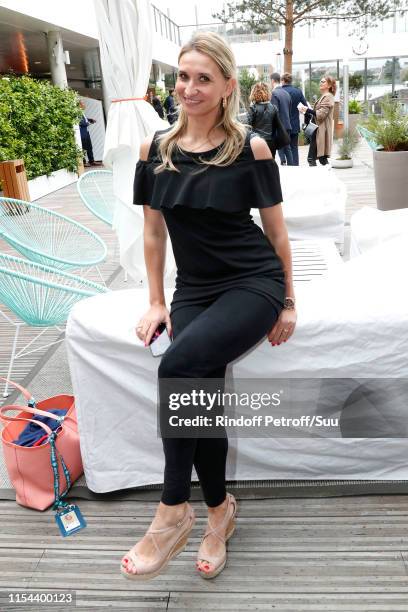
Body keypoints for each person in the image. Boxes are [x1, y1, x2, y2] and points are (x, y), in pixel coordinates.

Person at [122, 31, 297, 582]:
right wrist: (155, 300)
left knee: (178, 366)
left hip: (252, 283)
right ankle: (219, 514)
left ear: (226, 86)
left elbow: (276, 234)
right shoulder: (156, 150)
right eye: (182, 76)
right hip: (195, 289)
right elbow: (153, 235)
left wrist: (288, 300)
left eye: (203, 78)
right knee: (202, 394)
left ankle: (173, 510)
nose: (189, 88)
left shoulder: (251, 148)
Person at [299, 75, 336, 166]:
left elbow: (321, 114)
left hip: (322, 129)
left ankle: (326, 174)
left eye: (323, 81)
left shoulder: (328, 96)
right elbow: (317, 113)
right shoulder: (324, 96)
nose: (321, 83)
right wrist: (306, 111)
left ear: (329, 85)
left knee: (318, 158)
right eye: (320, 81)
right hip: (317, 129)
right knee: (318, 158)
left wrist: (307, 109)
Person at [246, 82, 285, 158]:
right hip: (270, 143)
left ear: (254, 93)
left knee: (256, 167)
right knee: (269, 167)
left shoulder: (252, 108)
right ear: (268, 93)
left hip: (256, 142)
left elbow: (248, 127)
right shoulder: (273, 108)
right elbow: (276, 126)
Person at [281, 72, 308, 166]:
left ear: (283, 81)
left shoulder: (279, 92)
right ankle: (295, 166)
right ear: (291, 81)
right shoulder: (298, 91)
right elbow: (305, 106)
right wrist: (299, 110)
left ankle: (285, 165)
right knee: (294, 147)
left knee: (283, 147)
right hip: (294, 124)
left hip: (282, 125)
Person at [270, 72, 293, 166]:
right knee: (287, 148)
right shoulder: (286, 93)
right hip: (287, 124)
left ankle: (283, 164)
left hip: (279, 126)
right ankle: (292, 167)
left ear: (272, 81)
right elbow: (289, 110)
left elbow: (274, 111)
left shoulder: (274, 93)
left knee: (278, 147)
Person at [79, 101, 98, 166]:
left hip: (86, 133)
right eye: (83, 103)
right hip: (82, 134)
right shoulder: (77, 113)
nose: (84, 105)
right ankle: (84, 163)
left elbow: (84, 119)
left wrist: (90, 119)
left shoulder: (81, 112)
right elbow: (81, 123)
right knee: (83, 148)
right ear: (79, 105)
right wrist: (88, 123)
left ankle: (91, 161)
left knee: (89, 147)